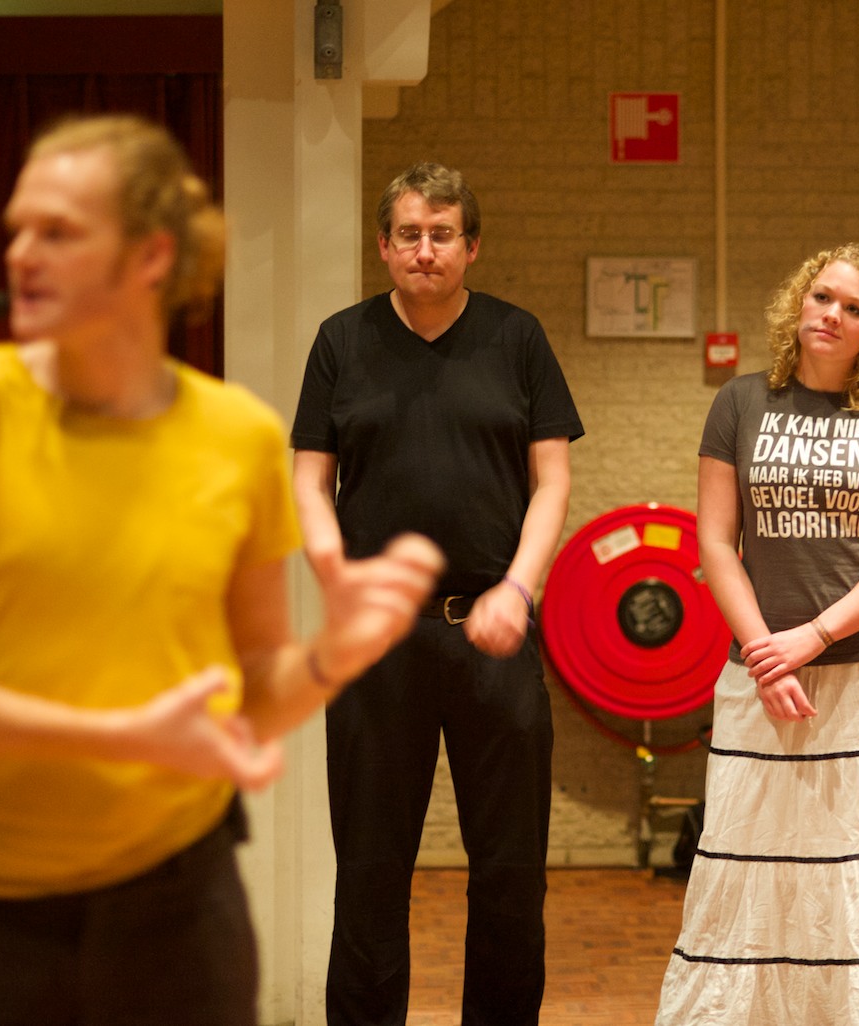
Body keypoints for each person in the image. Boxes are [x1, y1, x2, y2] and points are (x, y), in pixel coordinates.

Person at [0, 114, 443, 1026]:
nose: (21, 254)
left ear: (152, 255)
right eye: (17, 230)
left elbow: (251, 691)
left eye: (57, 231)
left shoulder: (235, 436)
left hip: (181, 916)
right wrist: (120, 734)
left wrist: (334, 656)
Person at [655, 243, 859, 1025]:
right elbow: (714, 544)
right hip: (765, 681)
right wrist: (766, 657)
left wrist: (813, 636)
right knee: (753, 872)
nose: (831, 314)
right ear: (798, 305)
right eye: (822, 296)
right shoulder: (739, 403)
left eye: (853, 307)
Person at [290, 161, 583, 1026]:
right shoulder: (340, 342)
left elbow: (552, 482)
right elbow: (308, 484)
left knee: (509, 875)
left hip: (494, 629)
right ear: (383, 246)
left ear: (471, 247)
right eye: (409, 234)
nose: (425, 250)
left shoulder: (517, 338)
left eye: (442, 234)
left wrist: (517, 590)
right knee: (370, 872)